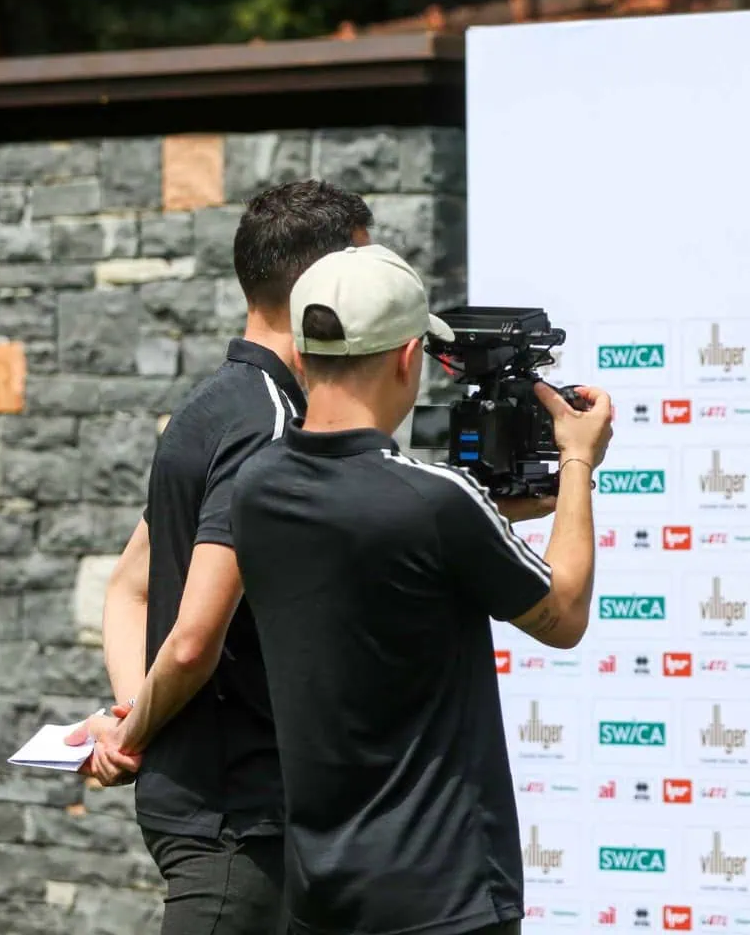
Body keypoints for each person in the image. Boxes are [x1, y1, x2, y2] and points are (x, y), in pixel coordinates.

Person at [229, 244, 613, 935]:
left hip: (320, 891)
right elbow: (564, 613)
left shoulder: (255, 486)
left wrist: (484, 515)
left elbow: (374, 531)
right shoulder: (435, 502)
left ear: (304, 355)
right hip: (444, 897)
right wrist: (579, 459)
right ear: (408, 358)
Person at [67, 180, 374, 935]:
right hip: (240, 826)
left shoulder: (211, 406)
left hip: (220, 816)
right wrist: (134, 729)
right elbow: (192, 637)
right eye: (366, 273)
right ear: (322, 289)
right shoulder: (270, 426)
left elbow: (129, 590)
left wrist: (131, 715)